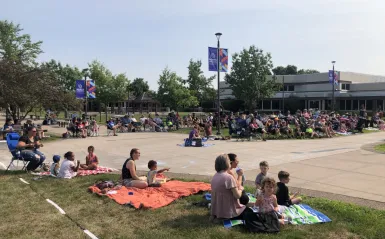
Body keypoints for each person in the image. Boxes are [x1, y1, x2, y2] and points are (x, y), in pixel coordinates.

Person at [210, 154, 248, 222]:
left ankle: (216, 216)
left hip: (217, 209)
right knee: (246, 209)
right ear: (226, 163)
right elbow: (237, 196)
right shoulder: (228, 177)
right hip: (228, 210)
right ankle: (224, 218)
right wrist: (241, 189)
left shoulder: (215, 176)